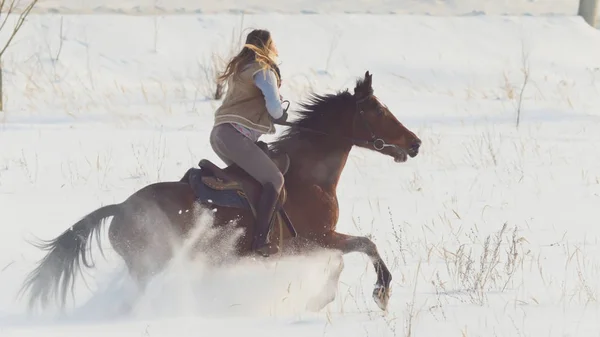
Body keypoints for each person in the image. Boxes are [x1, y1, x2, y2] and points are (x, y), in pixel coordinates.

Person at [209, 29, 288, 257]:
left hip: (220, 134)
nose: (276, 48)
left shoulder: (241, 68)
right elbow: (274, 109)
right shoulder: (264, 70)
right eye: (274, 43)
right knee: (274, 178)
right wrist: (282, 114)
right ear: (267, 46)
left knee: (252, 180)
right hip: (235, 136)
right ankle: (260, 240)